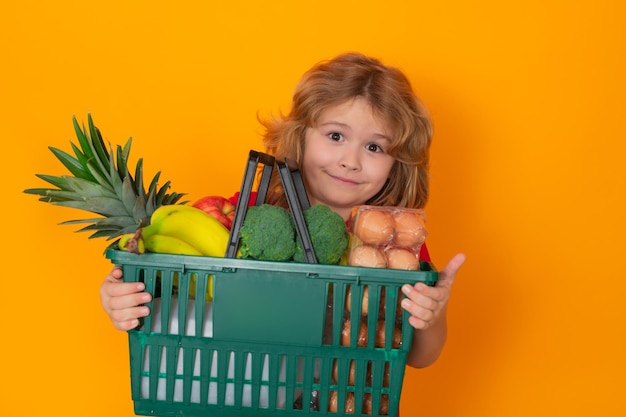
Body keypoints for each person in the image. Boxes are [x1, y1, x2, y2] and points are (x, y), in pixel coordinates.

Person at [100, 52, 465, 370]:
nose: (350, 161)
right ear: (301, 135)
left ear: (397, 163)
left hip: (351, 398)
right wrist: (121, 298)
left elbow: (419, 357)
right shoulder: (253, 211)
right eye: (335, 136)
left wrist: (433, 315)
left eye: (374, 147)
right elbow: (181, 288)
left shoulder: (393, 244)